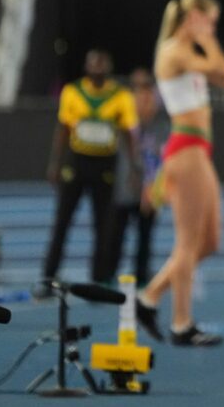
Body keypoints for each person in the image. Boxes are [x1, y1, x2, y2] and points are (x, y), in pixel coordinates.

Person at [136, 0, 224, 347]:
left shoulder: (190, 52)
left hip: (199, 149)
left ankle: (148, 298)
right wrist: (208, 41)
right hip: (186, 149)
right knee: (188, 242)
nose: (211, 28)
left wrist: (207, 42)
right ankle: (182, 323)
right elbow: (220, 70)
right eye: (207, 19)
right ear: (192, 16)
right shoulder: (173, 51)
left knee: (210, 241)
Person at [39, 49, 139, 292]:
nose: (97, 68)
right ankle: (48, 277)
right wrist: (55, 163)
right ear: (86, 67)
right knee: (62, 221)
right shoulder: (72, 92)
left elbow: (129, 135)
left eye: (102, 63)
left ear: (109, 67)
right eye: (93, 63)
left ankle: (99, 279)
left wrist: (135, 168)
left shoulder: (121, 96)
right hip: (77, 162)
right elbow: (62, 130)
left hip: (105, 164)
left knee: (104, 225)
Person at [101, 68, 167, 284]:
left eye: (148, 98)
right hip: (125, 187)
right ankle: (108, 273)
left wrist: (156, 188)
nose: (144, 103)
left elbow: (163, 160)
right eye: (139, 97)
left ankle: (141, 275)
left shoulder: (163, 127)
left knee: (146, 236)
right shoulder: (123, 124)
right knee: (116, 234)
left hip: (150, 190)